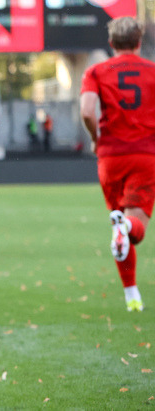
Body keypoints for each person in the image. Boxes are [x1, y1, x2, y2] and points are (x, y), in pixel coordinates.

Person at [80, 17, 155, 313]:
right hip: (145, 154)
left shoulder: (96, 71)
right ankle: (125, 227)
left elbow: (87, 111)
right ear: (139, 42)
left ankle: (131, 294)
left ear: (111, 43)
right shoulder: (152, 71)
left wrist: (95, 138)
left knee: (118, 221)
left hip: (110, 157)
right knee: (135, 226)